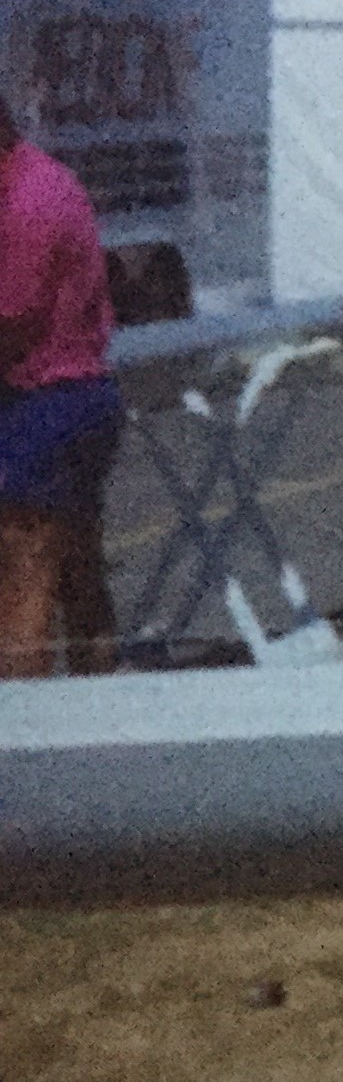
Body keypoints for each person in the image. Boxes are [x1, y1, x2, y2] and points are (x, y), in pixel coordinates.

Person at [0, 96, 123, 679]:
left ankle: (18, 739)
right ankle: (102, 714)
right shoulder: (45, 178)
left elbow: (10, 318)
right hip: (79, 399)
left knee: (22, 576)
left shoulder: (26, 204)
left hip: (51, 404)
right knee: (78, 572)